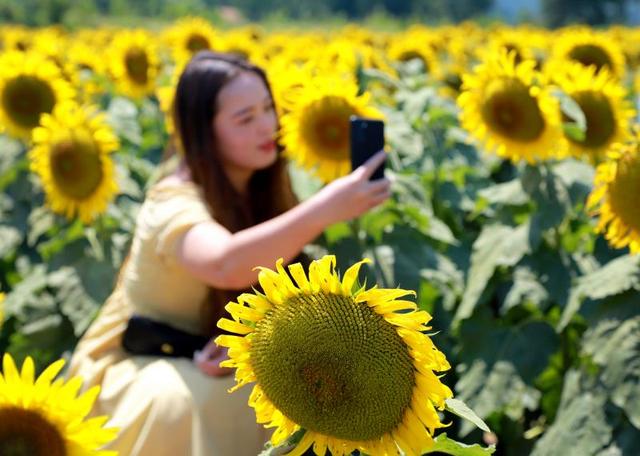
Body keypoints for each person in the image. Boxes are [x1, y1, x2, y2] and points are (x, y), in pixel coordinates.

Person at [67, 51, 390, 456]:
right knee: (186, 403)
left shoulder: (261, 188)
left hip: (211, 354)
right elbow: (225, 264)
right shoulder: (171, 201)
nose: (267, 127)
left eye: (268, 109)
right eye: (245, 118)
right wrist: (327, 208)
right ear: (205, 132)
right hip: (133, 362)